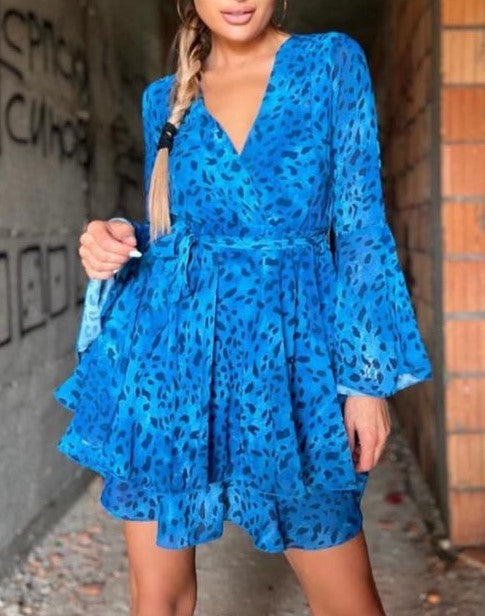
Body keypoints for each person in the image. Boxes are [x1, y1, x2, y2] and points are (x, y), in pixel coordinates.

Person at [53, 1, 433, 614]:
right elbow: (175, 235)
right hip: (172, 361)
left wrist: (367, 383)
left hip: (290, 368)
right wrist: (118, 237)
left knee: (347, 600)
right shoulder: (162, 100)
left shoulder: (330, 63)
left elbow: (360, 228)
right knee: (158, 599)